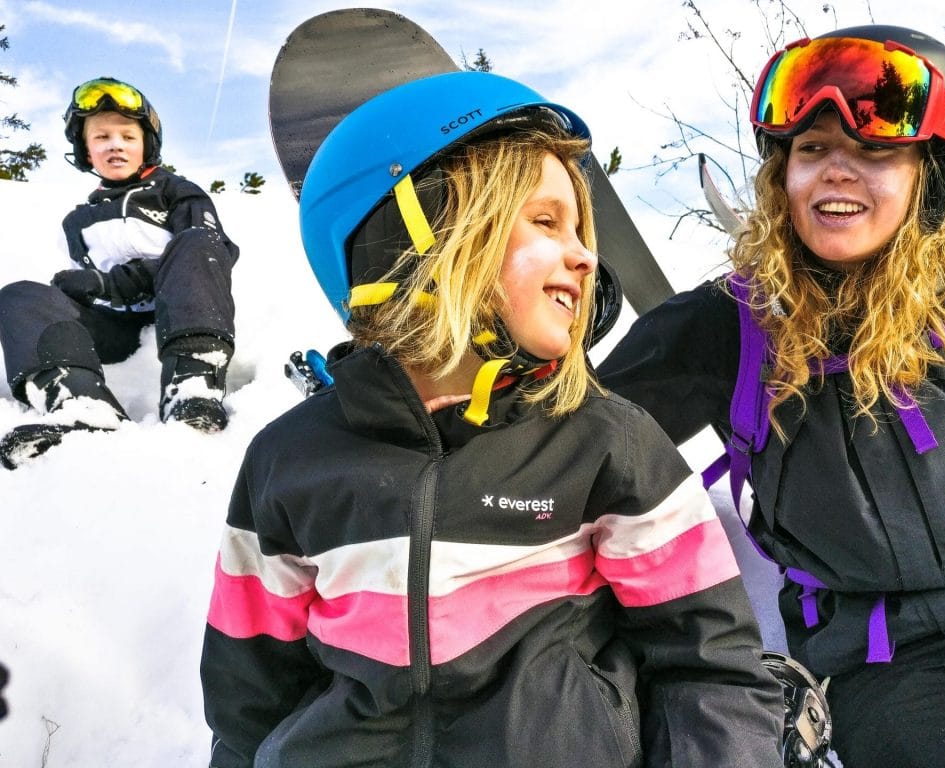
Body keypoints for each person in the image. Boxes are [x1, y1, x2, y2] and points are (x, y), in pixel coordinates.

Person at [199, 70, 784, 768]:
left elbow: (709, 665)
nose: (585, 254)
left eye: (580, 228)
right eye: (544, 221)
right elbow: (247, 703)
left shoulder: (605, 441)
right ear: (410, 235)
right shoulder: (290, 461)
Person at [598, 24, 945, 768]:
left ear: (930, 169)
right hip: (899, 662)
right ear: (782, 173)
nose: (837, 172)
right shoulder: (725, 327)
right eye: (813, 149)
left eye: (874, 150)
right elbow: (570, 438)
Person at [0, 77, 238, 468]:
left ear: (147, 144)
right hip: (114, 328)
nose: (115, 145)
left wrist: (109, 283)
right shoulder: (77, 221)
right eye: (102, 137)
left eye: (127, 136)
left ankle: (192, 384)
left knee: (196, 242)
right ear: (85, 150)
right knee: (20, 295)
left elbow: (214, 250)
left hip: (178, 314)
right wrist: (78, 292)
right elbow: (85, 288)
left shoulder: (176, 192)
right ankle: (82, 404)